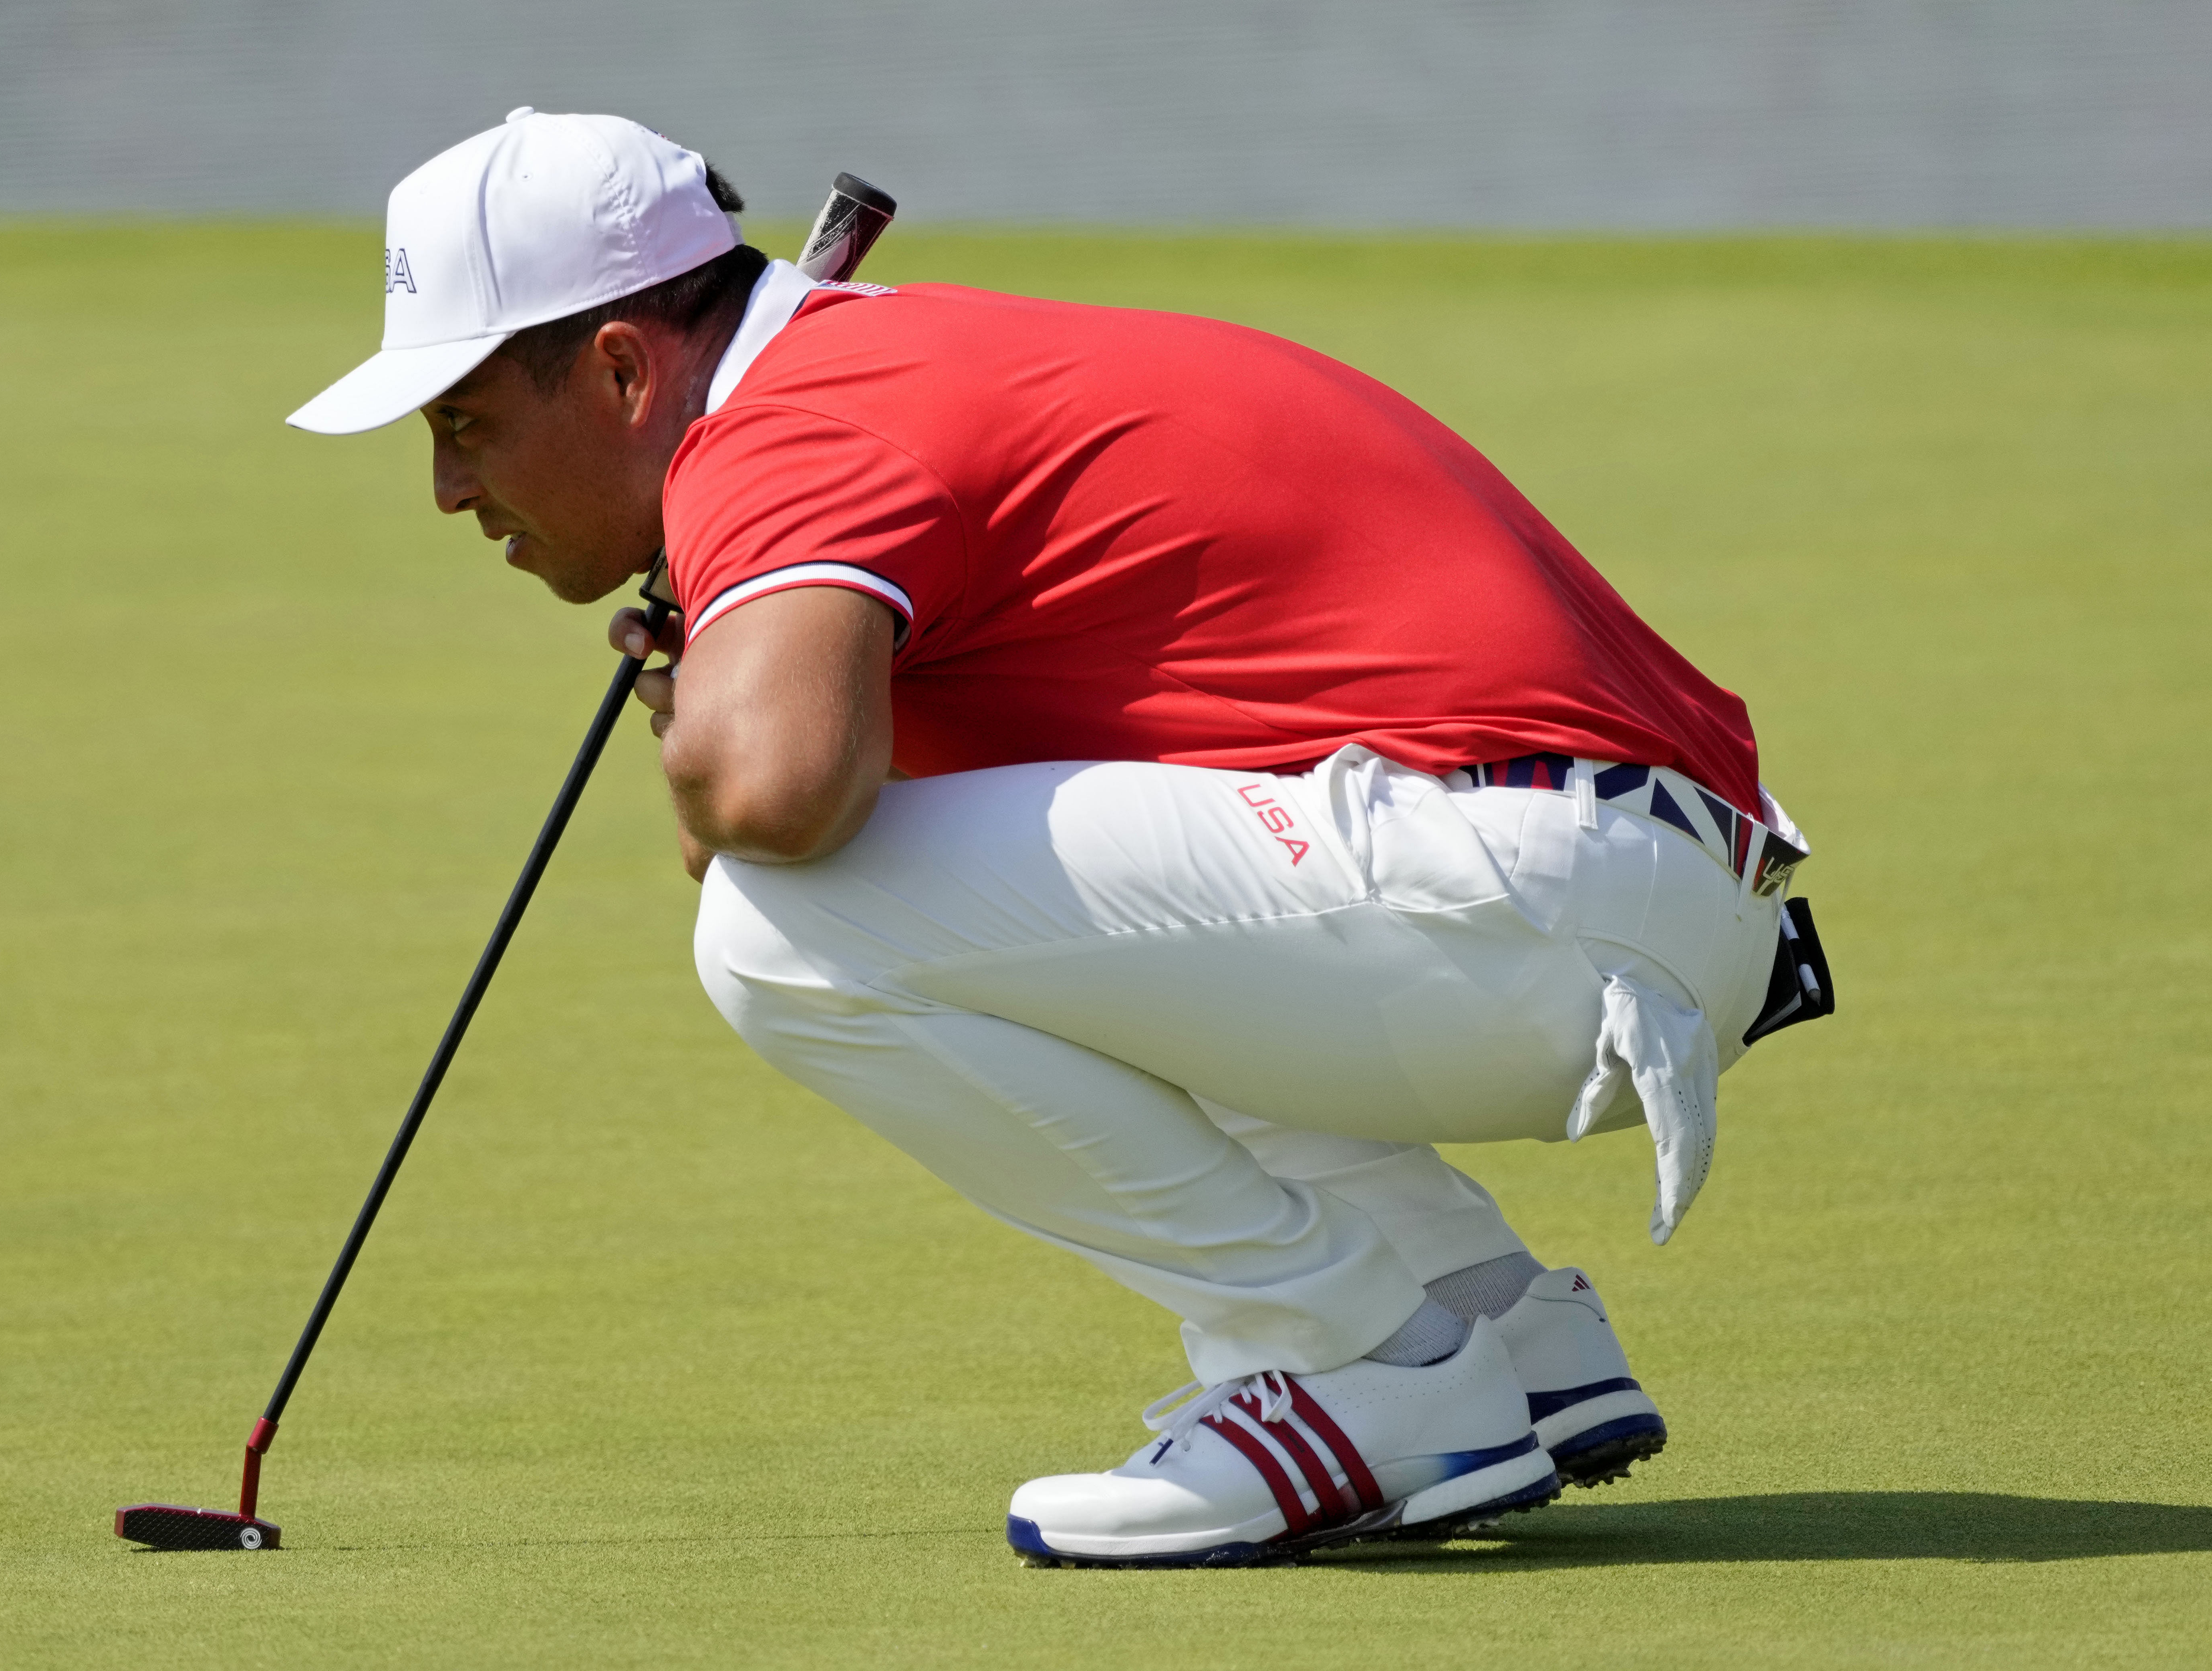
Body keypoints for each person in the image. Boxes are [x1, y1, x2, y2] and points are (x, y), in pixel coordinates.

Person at [288, 109, 1817, 1566]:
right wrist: (715, 675)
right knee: (957, 930)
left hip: (1528, 890)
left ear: (623, 369)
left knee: (778, 932)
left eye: (469, 423)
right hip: (1624, 891)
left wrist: (698, 686)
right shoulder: (860, 382)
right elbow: (850, 822)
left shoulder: (789, 434)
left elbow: (769, 804)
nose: (445, 488)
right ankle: (1493, 1327)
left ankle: (1354, 1364)